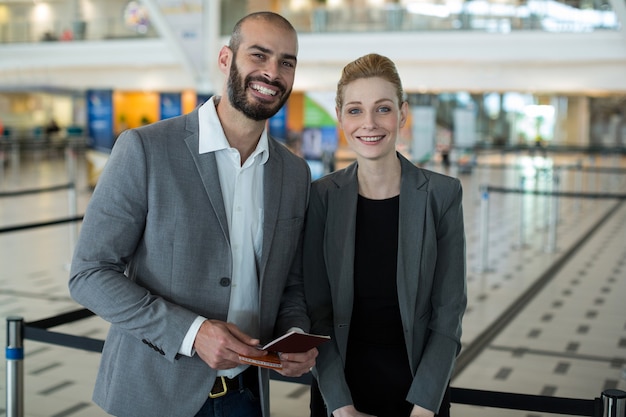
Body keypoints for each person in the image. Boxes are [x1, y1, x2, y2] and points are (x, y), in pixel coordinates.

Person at [69, 11, 317, 417]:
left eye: (286, 62)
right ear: (225, 60)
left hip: (247, 395)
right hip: (154, 396)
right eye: (259, 55)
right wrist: (192, 332)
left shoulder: (294, 173)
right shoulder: (146, 149)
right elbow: (89, 274)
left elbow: (290, 282)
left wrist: (293, 335)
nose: (272, 72)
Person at [303, 53, 467, 417]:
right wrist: (342, 407)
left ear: (402, 114)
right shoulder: (322, 197)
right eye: (356, 110)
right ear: (341, 115)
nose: (370, 123)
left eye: (383, 109)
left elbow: (448, 312)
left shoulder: (441, 195)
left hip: (420, 391)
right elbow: (318, 314)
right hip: (340, 393)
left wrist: (425, 407)